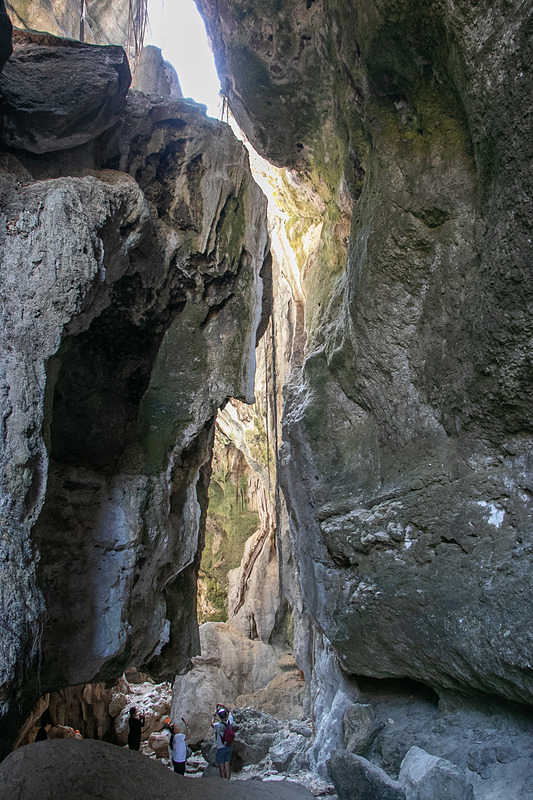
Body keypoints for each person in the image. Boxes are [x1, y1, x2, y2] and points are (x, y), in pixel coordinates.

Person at [212, 704, 233, 779]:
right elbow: (230, 713)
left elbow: (212, 724)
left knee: (221, 766)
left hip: (220, 747)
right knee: (227, 765)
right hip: (228, 746)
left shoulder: (217, 725)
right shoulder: (230, 722)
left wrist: (214, 715)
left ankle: (222, 781)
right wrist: (224, 706)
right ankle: (227, 780)